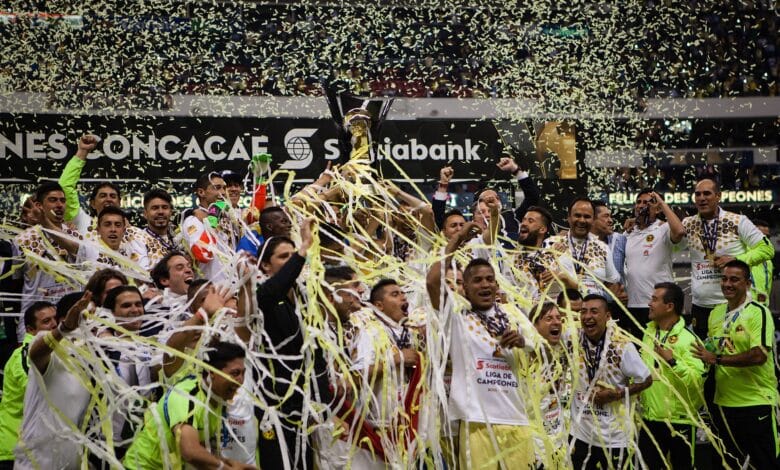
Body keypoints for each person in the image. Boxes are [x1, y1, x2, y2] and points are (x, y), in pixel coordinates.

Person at [427, 254, 538, 469]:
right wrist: (457, 241)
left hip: (516, 417)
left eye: (490, 279)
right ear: (465, 287)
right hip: (476, 422)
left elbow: (545, 349)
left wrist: (523, 341)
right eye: (477, 280)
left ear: (497, 284)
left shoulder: (513, 314)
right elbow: (432, 280)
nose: (485, 284)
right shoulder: (456, 316)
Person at [253, 219, 333, 470]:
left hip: (305, 401)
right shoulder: (260, 296)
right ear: (265, 266)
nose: (290, 260)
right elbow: (274, 290)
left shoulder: (305, 300)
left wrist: (321, 401)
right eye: (283, 256)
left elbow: (315, 352)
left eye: (292, 255)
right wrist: (303, 248)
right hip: (274, 402)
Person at [692, 260, 779, 469]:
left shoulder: (758, 311)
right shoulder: (715, 313)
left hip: (755, 402)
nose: (727, 284)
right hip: (723, 404)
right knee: (727, 464)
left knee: (764, 464)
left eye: (734, 279)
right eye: (724, 278)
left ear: (747, 284)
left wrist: (718, 359)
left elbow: (759, 355)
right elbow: (712, 351)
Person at [123, 340, 256, 470]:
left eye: (243, 373)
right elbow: (190, 452)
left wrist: (231, 465)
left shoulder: (217, 399)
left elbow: (200, 454)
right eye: (235, 373)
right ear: (212, 372)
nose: (241, 381)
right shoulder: (186, 396)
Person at [681, 178, 774, 338]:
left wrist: (736, 259)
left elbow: (767, 249)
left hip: (731, 305)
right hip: (700, 306)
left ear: (718, 196)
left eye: (707, 193)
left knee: (731, 356)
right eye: (697, 194)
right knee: (704, 357)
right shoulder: (688, 223)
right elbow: (665, 233)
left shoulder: (738, 221)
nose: (701, 198)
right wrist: (637, 223)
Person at [570, 294, 652, 470]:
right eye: (583, 312)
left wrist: (618, 394)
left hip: (614, 437)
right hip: (581, 434)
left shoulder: (621, 345)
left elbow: (646, 379)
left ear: (607, 316)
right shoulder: (573, 338)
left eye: (594, 311)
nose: (587, 317)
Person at [14, 292, 95, 469]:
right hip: (36, 463)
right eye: (86, 317)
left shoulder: (90, 359)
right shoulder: (49, 349)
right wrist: (64, 329)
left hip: (70, 463)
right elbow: (37, 353)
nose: (92, 323)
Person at [639, 282, 704, 469]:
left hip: (679, 422)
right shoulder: (647, 333)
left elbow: (696, 381)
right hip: (649, 420)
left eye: (654, 299)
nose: (649, 304)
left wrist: (673, 362)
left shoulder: (688, 339)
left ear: (669, 307)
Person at [13, 181, 82, 339]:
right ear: (39, 205)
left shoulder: (75, 236)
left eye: (62, 200)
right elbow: (16, 281)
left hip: (68, 315)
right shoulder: (22, 240)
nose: (59, 205)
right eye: (53, 200)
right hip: (36, 319)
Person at [0, 302, 57, 468]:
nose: (54, 324)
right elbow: (37, 391)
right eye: (46, 321)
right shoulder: (26, 354)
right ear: (31, 330)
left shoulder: (57, 351)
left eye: (55, 319)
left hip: (37, 447)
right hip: (15, 448)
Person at [624, 189, 685, 338]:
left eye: (647, 202)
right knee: (639, 352)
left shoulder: (663, 228)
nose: (641, 205)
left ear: (657, 208)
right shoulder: (628, 233)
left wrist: (661, 203)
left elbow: (679, 232)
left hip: (659, 305)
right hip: (633, 304)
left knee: (662, 349)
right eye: (638, 202)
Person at [544, 198, 621, 299]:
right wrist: (552, 256)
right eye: (577, 215)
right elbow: (540, 277)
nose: (582, 220)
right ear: (569, 217)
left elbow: (613, 281)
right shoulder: (551, 243)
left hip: (591, 312)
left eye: (587, 216)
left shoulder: (602, 248)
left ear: (593, 220)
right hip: (561, 311)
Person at [514, 205, 577, 301]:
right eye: (523, 220)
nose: (524, 223)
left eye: (530, 221)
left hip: (555, 313)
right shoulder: (514, 258)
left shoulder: (557, 251)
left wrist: (561, 276)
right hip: (524, 314)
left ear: (542, 229)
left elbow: (576, 288)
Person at [181, 172, 234, 282]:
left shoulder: (227, 218)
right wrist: (212, 220)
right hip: (209, 289)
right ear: (201, 192)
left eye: (224, 188)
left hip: (232, 287)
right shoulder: (193, 220)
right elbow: (203, 254)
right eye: (217, 188)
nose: (223, 192)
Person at [750, 219, 773, 305]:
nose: (765, 240)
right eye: (761, 236)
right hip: (743, 309)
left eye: (767, 237)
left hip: (763, 307)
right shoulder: (740, 255)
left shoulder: (768, 261)